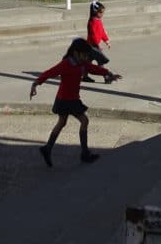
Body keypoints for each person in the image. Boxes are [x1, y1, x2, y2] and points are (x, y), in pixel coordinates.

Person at [29, 38, 121, 167]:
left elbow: (94, 69)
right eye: (84, 55)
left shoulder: (82, 63)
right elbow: (49, 73)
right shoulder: (66, 64)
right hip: (66, 100)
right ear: (76, 53)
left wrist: (109, 74)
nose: (86, 57)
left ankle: (47, 148)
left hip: (69, 99)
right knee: (83, 121)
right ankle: (84, 154)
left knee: (62, 123)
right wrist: (35, 83)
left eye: (87, 55)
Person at [84, 0, 111, 82]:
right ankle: (106, 78)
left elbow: (102, 31)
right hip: (92, 46)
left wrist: (106, 41)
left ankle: (84, 76)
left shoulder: (98, 21)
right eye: (100, 12)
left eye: (103, 12)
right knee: (101, 62)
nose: (102, 14)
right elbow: (93, 35)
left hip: (93, 46)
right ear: (95, 11)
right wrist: (97, 45)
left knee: (87, 62)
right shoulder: (92, 22)